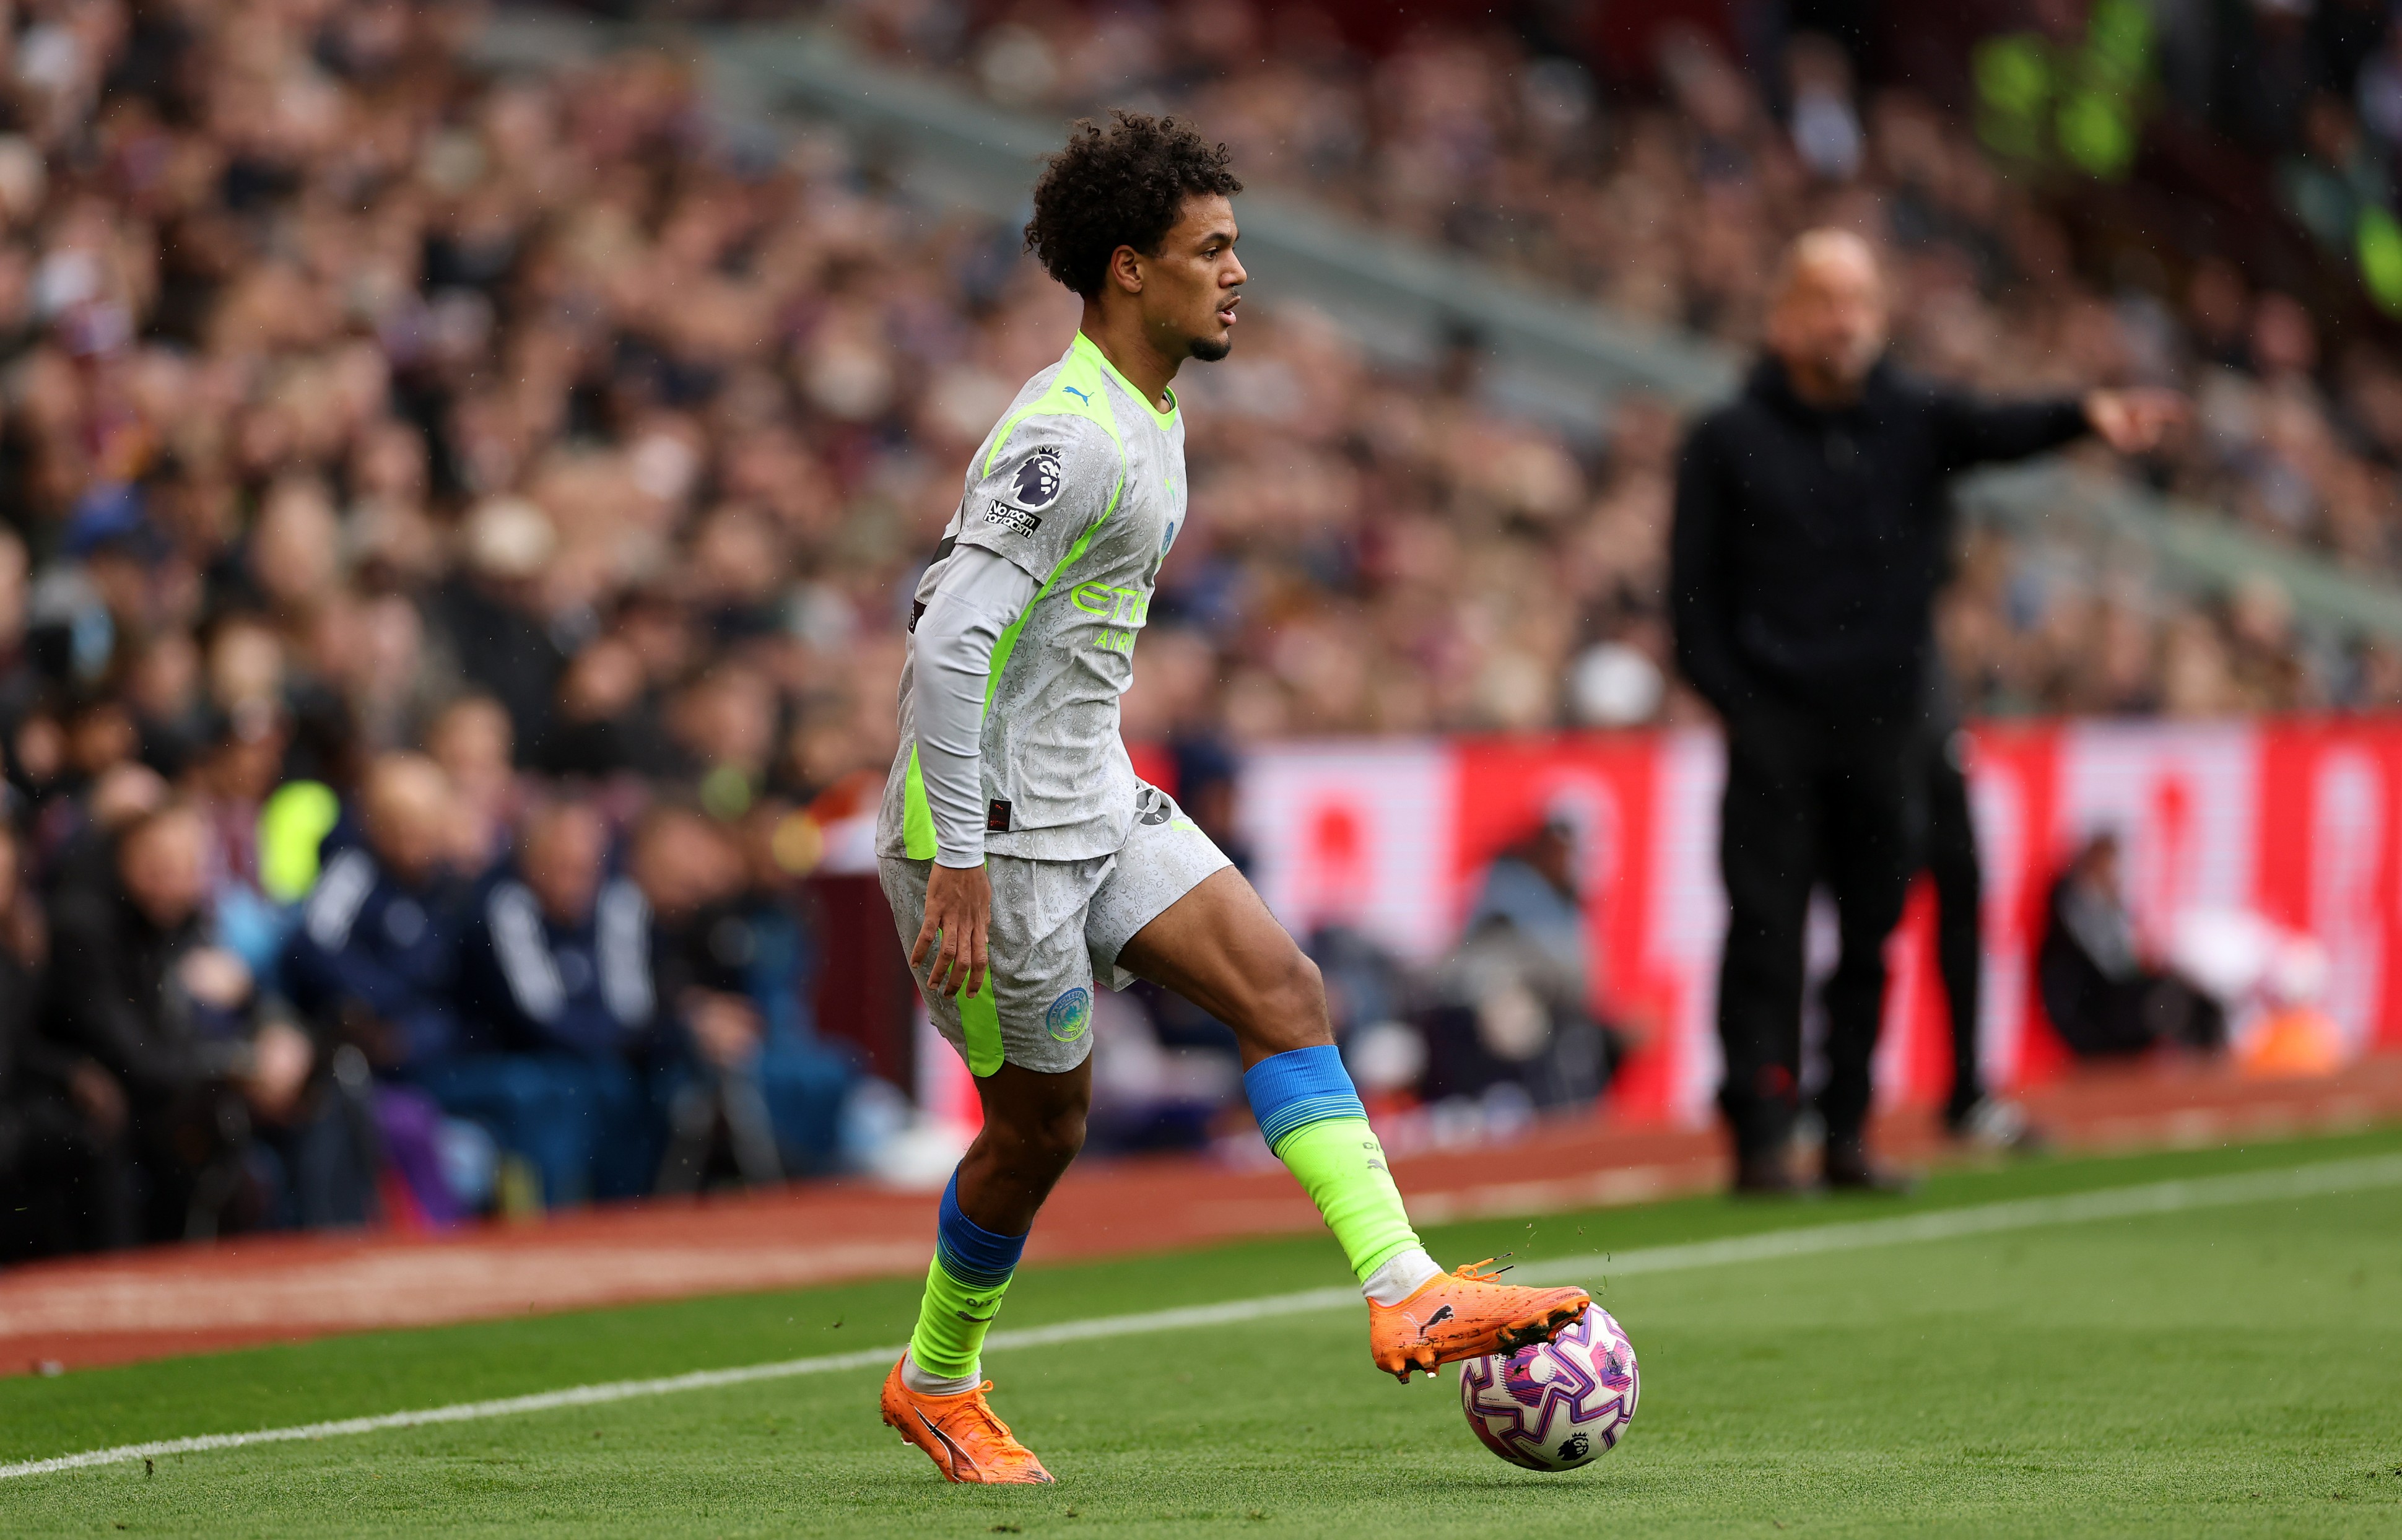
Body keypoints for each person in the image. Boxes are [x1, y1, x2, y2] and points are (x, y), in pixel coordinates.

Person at [873, 111, 1589, 1484]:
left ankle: (1403, 1283)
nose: (1237, 271)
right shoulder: (1065, 434)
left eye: (1239, 245)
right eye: (1213, 249)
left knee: (1284, 991)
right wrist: (953, 856)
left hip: (1091, 792)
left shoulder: (1150, 406)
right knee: (1040, 1131)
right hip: (994, 840)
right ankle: (934, 1377)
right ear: (1130, 269)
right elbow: (947, 640)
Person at [1669, 228, 2184, 1194]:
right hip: (1776, 724)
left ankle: (1848, 1128)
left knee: (1869, 933)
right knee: (1766, 932)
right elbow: (1688, 596)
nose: (1844, 320)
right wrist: (1741, 704)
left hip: (1881, 724)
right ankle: (1760, 1128)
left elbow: (1995, 426)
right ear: (1782, 315)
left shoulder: (1907, 417)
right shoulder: (1727, 440)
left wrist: (2083, 414)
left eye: (1859, 298)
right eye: (1823, 299)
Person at [451, 798, 660, 1207]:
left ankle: (624, 1216)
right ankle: (549, 1222)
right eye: (561, 866)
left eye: (585, 868)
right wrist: (602, 1041)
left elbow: (634, 1009)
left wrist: (604, 1043)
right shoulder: (502, 907)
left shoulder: (620, 904)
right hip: (500, 1059)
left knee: (620, 1085)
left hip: (590, 1059)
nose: (575, 881)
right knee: (553, 1091)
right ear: (531, 863)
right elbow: (536, 1015)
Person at [2037, 832, 2226, 1058]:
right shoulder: (2078, 918)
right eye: (2110, 866)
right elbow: (2109, 971)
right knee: (2170, 1002)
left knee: (2192, 1000)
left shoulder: (2108, 910)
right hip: (2099, 1017)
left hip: (2114, 1007)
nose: (2116, 875)